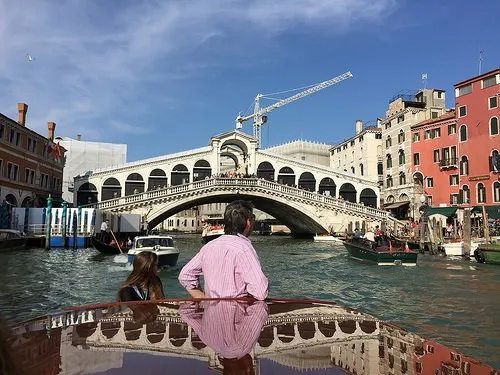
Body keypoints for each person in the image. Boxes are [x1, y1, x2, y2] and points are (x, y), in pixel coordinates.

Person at [178, 200, 268, 300]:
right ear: (248, 222)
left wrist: (203, 299)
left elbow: (185, 275)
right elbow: (260, 292)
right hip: (238, 313)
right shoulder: (244, 249)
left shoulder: (208, 246)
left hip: (210, 313)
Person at [180, 300, 268, 375]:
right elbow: (186, 312)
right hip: (211, 287)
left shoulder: (244, 346)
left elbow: (261, 308)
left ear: (247, 370)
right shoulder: (208, 340)